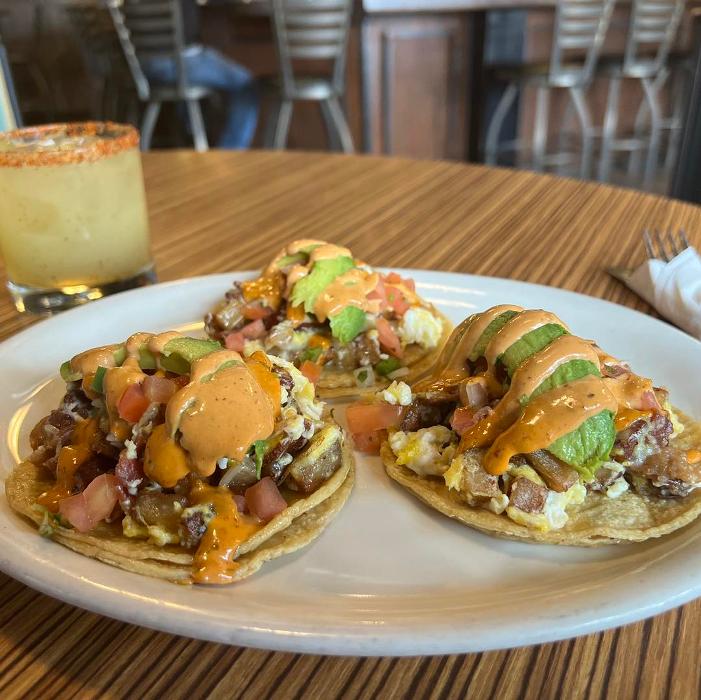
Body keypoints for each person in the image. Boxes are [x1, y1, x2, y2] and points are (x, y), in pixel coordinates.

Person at [141, 0, 259, 149]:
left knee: (202, 75)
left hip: (141, 65)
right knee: (245, 82)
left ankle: (190, 135)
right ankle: (231, 152)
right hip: (180, 61)